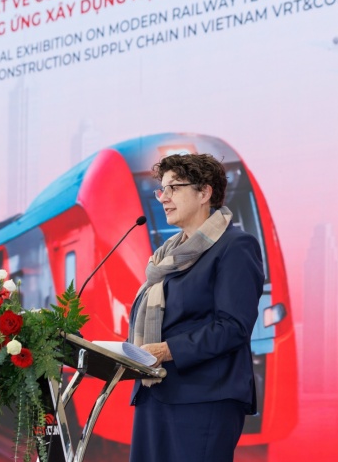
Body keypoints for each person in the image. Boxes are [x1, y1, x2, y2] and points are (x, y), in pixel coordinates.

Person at [128, 153, 265, 462]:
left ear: (204, 193)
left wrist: (166, 350)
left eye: (174, 188)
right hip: (156, 392)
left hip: (204, 397)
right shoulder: (168, 256)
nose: (164, 198)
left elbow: (233, 327)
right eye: (161, 190)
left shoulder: (235, 246)